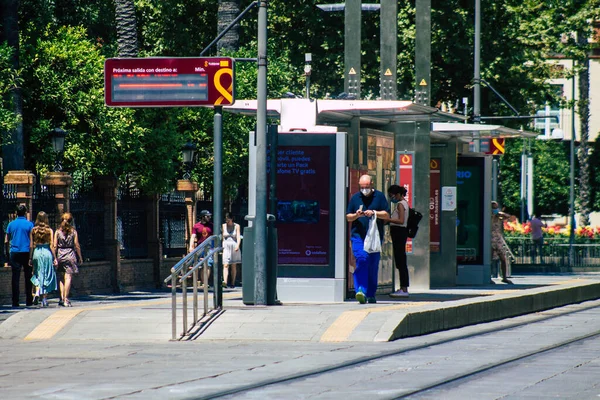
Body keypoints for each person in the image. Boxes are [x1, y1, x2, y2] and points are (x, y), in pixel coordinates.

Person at [346, 175, 390, 304]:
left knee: (372, 264)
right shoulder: (355, 198)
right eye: (362, 187)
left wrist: (374, 212)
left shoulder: (379, 197)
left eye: (367, 187)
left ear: (372, 184)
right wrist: (356, 215)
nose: (364, 189)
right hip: (358, 236)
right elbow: (348, 217)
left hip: (374, 238)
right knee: (362, 258)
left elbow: (386, 214)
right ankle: (360, 290)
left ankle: (371, 294)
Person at [4, 205, 35, 307]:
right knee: (28, 276)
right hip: (26, 251)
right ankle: (29, 300)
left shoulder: (11, 224)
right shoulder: (30, 225)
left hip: (15, 251)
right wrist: (31, 256)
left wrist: (7, 253)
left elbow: (6, 240)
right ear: (25, 212)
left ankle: (15, 301)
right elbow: (31, 242)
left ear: (16, 213)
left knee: (15, 277)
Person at [385, 185, 410, 298]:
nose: (392, 197)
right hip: (400, 233)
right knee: (400, 260)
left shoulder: (401, 204)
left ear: (398, 194)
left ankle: (404, 288)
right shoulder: (404, 204)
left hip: (399, 233)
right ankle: (403, 287)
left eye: (393, 195)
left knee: (401, 261)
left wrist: (388, 220)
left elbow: (401, 220)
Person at [54, 213, 83, 307]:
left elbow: (54, 246)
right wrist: (80, 257)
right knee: (68, 277)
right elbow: (77, 245)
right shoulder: (73, 232)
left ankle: (62, 298)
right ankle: (66, 299)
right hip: (70, 254)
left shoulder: (58, 232)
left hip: (60, 255)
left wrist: (55, 258)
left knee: (61, 278)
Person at [29, 212, 58, 307]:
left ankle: (37, 292)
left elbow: (31, 246)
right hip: (46, 252)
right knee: (46, 274)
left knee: (37, 273)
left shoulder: (33, 230)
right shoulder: (49, 230)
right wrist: (55, 257)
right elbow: (52, 246)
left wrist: (30, 257)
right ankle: (44, 298)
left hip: (37, 252)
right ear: (46, 219)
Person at [189, 210, 214, 284]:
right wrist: (191, 246)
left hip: (209, 247)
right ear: (203, 217)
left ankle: (205, 282)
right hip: (200, 247)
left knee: (208, 264)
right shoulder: (196, 226)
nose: (209, 217)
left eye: (210, 216)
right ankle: (195, 281)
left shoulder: (211, 225)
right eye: (207, 216)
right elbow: (193, 236)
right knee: (196, 263)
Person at [491, 201, 512, 284]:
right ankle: (489, 277)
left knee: (503, 258)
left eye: (496, 207)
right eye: (493, 207)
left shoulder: (499, 216)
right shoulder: (489, 216)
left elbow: (508, 217)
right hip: (491, 239)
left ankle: (504, 277)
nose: (495, 209)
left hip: (498, 239)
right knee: (490, 259)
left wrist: (499, 213)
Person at [222, 213, 241, 288]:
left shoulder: (237, 226)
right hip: (226, 245)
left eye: (228, 218)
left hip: (234, 245)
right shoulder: (223, 226)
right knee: (226, 264)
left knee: (233, 265)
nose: (227, 220)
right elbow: (223, 237)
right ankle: (225, 282)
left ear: (231, 218)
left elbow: (238, 236)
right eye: (226, 218)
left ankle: (232, 282)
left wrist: (237, 245)